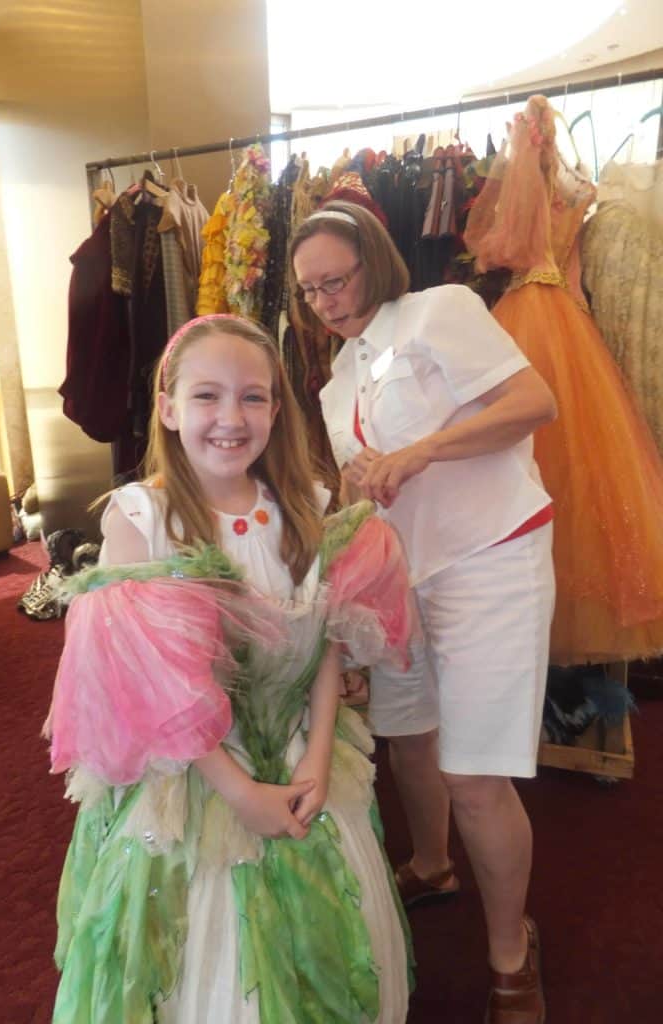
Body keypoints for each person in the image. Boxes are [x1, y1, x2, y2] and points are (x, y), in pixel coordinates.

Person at [43, 313, 415, 1023]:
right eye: (207, 395)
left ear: (278, 409)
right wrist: (242, 792)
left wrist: (313, 761)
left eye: (253, 396)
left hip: (304, 753)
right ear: (168, 406)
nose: (230, 418)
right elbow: (156, 691)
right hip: (199, 775)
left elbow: (325, 641)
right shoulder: (141, 518)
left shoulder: (307, 507)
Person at [290, 201, 557, 1024]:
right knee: (410, 740)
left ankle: (512, 953)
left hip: (490, 555)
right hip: (404, 575)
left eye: (337, 278)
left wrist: (423, 449)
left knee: (473, 775)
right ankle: (434, 866)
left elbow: (534, 403)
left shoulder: (442, 310)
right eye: (309, 291)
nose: (327, 300)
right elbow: (361, 491)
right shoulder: (335, 387)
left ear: (374, 258)